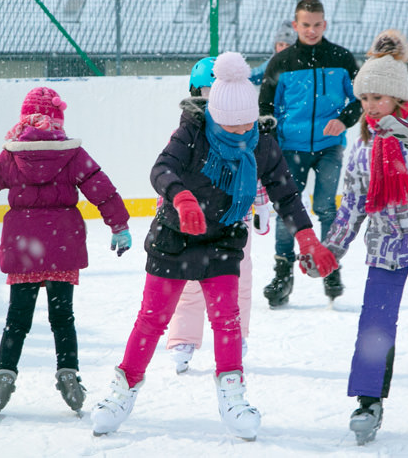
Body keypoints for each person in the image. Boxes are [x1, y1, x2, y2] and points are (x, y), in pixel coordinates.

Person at [90, 52, 338, 440]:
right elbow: (161, 169)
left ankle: (232, 392)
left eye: (247, 126)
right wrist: (182, 197)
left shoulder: (262, 140)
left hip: (223, 237)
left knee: (227, 319)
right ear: (214, 114)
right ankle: (124, 388)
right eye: (231, 126)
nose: (241, 135)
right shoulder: (192, 130)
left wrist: (306, 236)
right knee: (152, 319)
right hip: (174, 235)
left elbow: (286, 194)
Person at [0, 87, 131, 417]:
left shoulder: (11, 157)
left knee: (17, 320)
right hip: (61, 245)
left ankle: (5, 374)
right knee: (62, 319)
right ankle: (68, 373)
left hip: (24, 248)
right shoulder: (73, 155)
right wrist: (119, 226)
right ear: (58, 119)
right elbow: (102, 189)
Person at [303, 29, 408, 445]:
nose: (370, 106)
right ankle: (368, 399)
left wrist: (404, 133)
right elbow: (354, 203)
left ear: (397, 96)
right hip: (386, 246)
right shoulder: (361, 144)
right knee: (375, 326)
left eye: (377, 98)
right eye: (364, 99)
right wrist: (331, 250)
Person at [166, 56, 272, 374]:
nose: (213, 97)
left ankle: (235, 333)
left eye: (218, 90)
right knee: (189, 279)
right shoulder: (187, 132)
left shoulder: (244, 129)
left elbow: (255, 169)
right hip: (193, 221)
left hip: (234, 219)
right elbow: (169, 170)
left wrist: (262, 204)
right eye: (206, 90)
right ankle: (184, 338)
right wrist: (170, 203)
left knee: (239, 277)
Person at [259, 0, 361, 308]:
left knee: (328, 208)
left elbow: (361, 99)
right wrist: (274, 142)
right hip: (291, 148)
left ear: (325, 24)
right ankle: (282, 273)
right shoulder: (281, 62)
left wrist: (343, 120)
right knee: (287, 209)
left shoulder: (341, 58)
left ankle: (330, 267)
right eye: (306, 25)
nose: (312, 30)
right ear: (295, 25)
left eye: (317, 24)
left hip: (330, 147)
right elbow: (266, 107)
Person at [249, 20, 296, 85]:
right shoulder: (271, 64)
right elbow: (255, 75)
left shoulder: (299, 64)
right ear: (275, 47)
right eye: (281, 45)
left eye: (288, 45)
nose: (284, 48)